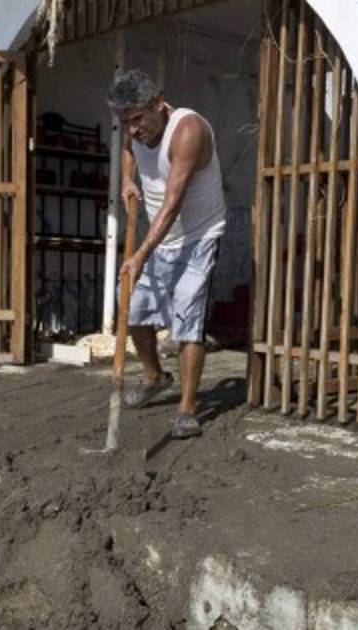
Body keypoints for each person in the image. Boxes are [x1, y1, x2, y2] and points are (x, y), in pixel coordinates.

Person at [108, 69, 227, 439]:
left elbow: (173, 204)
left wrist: (140, 254)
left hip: (198, 235)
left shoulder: (187, 130)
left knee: (188, 315)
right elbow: (128, 149)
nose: (132, 129)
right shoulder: (135, 130)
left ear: (159, 102)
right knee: (131, 303)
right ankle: (155, 376)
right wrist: (128, 180)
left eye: (137, 119)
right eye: (125, 122)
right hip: (163, 236)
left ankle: (187, 410)